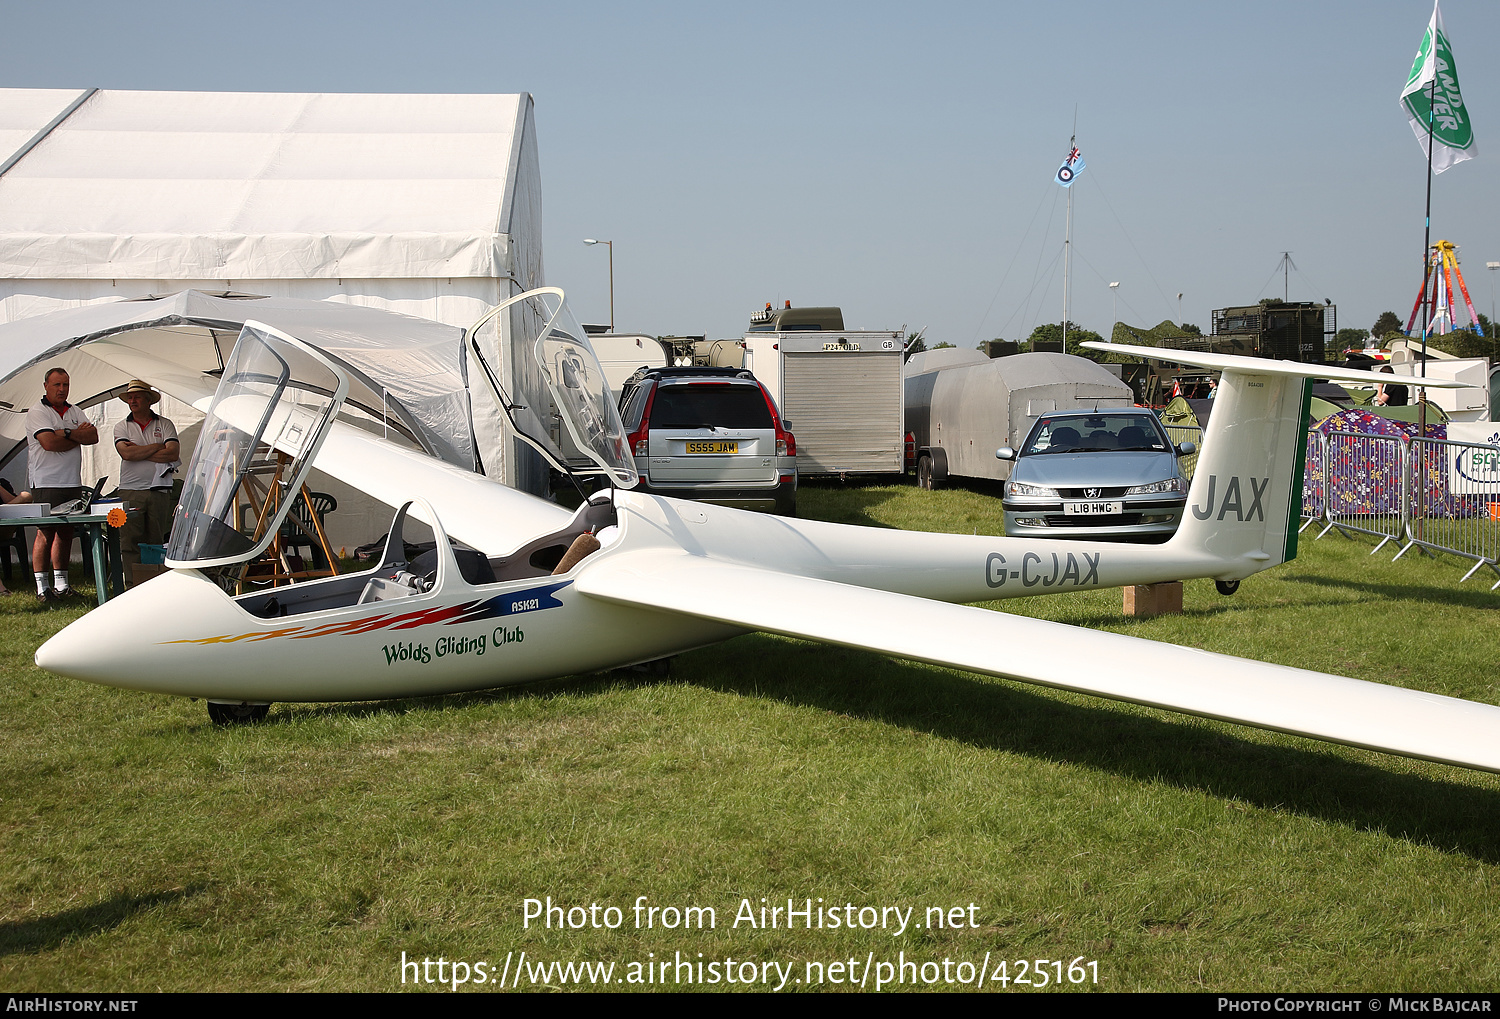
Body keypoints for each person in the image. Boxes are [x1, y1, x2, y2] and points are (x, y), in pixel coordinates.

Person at [26, 367, 98, 603]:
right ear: (45, 386)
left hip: (71, 481)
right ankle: (41, 588)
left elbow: (93, 437)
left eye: (65, 385)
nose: (62, 389)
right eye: (57, 385)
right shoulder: (38, 411)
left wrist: (65, 432)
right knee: (46, 532)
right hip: (46, 482)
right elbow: (48, 443)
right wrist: (75, 436)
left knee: (66, 532)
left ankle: (62, 584)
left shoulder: (75, 410)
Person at [113, 380, 180, 581]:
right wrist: (158, 446)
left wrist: (139, 451)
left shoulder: (165, 423)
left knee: (155, 540)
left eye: (137, 396)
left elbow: (173, 453)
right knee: (130, 540)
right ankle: (132, 583)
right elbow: (126, 454)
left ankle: (153, 582)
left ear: (148, 399)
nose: (132, 401)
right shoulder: (121, 426)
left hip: (158, 490)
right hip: (130, 491)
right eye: (130, 397)